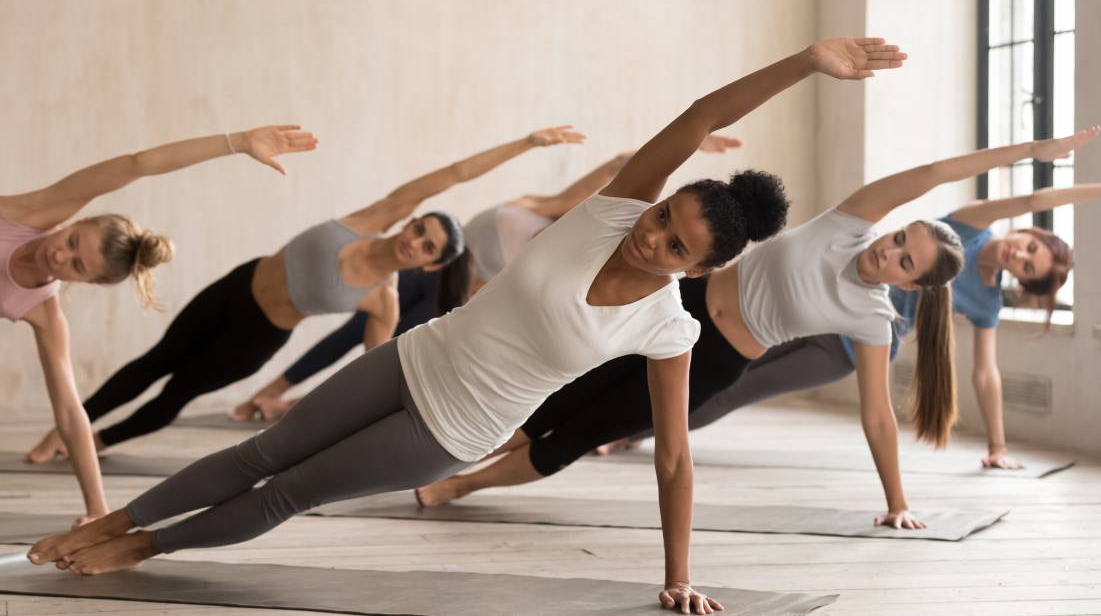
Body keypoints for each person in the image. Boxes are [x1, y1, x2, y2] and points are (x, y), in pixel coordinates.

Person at [26, 35, 904, 614]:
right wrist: (805, 62)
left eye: (674, 245)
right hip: (414, 360)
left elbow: (673, 453)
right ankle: (115, 521)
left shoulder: (669, 329)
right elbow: (702, 118)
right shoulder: (609, 211)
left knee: (286, 494)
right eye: (663, 215)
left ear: (700, 269)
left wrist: (679, 575)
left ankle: (142, 548)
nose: (653, 236)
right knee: (262, 453)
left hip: (451, 432)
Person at [415, 125, 1101, 533]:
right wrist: (1035, 149)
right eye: (899, 237)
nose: (888, 252)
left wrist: (897, 503)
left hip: (716, 360)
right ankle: (443, 457)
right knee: (553, 393)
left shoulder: (873, 320)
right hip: (671, 310)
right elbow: (935, 171)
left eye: (904, 261)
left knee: (576, 436)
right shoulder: (851, 222)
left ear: (908, 286)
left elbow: (875, 416)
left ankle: (457, 489)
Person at [26, 126, 582, 454]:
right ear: (409, 224)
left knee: (176, 394)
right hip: (236, 286)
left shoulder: (382, 300)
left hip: (256, 339)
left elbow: (371, 375)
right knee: (154, 361)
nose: (416, 242)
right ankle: (62, 434)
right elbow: (456, 173)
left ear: (433, 266)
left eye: (428, 247)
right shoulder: (373, 216)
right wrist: (527, 143)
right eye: (420, 229)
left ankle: (93, 445)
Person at [234, 136, 741, 422]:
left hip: (455, 295)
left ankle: (293, 404)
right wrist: (682, 143)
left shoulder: (567, 255)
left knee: (383, 344)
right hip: (434, 265)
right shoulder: (549, 210)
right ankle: (275, 391)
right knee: (355, 327)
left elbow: (512, 302)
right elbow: (614, 174)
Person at [6, 125, 315, 525]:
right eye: (71, 241)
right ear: (75, 220)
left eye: (77, 265)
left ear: (89, 282)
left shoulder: (43, 312)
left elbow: (70, 414)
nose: (59, 256)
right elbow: (138, 165)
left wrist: (97, 509)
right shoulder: (34, 212)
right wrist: (236, 143)